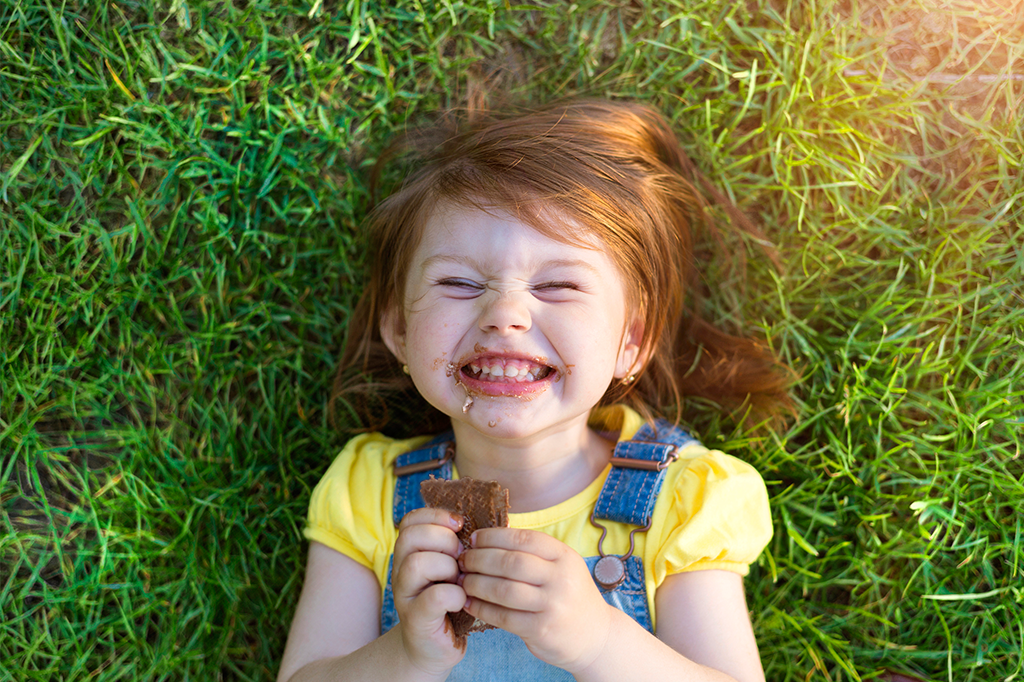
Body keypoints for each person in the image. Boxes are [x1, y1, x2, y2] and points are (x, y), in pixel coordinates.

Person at [277, 100, 794, 682]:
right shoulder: (369, 494)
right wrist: (407, 655)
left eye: (557, 284)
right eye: (459, 282)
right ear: (398, 329)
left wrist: (597, 642)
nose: (505, 314)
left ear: (631, 340)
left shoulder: (678, 502)